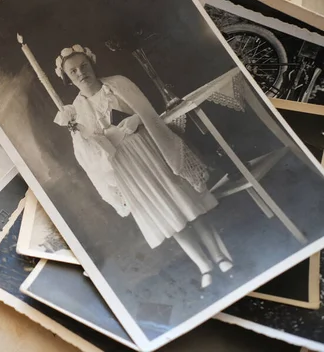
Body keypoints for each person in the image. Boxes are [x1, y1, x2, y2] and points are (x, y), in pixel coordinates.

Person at [53, 45, 232, 288]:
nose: (81, 72)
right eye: (73, 71)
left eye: (84, 65)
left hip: (150, 148)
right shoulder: (76, 111)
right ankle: (203, 264)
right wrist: (80, 134)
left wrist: (137, 118)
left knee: (186, 203)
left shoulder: (117, 83)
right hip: (126, 167)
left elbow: (146, 110)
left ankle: (220, 255)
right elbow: (90, 155)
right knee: (167, 214)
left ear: (92, 63)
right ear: (67, 78)